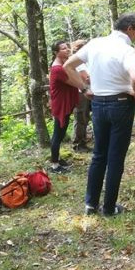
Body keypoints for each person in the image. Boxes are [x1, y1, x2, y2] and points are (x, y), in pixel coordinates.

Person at [64, 13, 135, 217]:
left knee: (99, 155)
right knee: (115, 157)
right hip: (121, 104)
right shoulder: (126, 50)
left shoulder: (95, 44)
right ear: (130, 28)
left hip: (98, 104)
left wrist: (84, 89)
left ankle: (90, 204)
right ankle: (109, 208)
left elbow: (67, 66)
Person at [48, 41, 80, 173]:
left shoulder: (63, 65)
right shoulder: (57, 69)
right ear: (56, 52)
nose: (67, 50)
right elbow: (73, 82)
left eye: (67, 47)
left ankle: (57, 158)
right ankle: (54, 165)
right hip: (60, 105)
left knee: (60, 133)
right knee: (58, 134)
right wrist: (84, 85)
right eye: (63, 48)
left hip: (63, 103)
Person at [70, 39, 92, 152]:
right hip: (80, 93)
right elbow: (86, 78)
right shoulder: (77, 63)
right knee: (80, 118)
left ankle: (83, 141)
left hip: (87, 92)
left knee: (85, 117)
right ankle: (77, 144)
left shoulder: (85, 62)